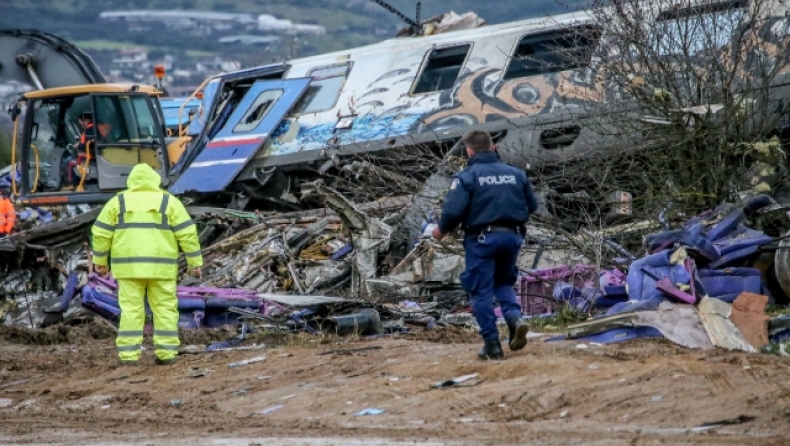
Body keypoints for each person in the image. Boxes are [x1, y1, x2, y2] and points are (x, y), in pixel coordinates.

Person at [432, 130, 539, 360]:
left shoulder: (467, 176)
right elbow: (532, 206)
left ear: (469, 152)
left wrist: (440, 230)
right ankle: (514, 318)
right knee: (503, 282)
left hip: (482, 240)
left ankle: (492, 344)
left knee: (481, 291)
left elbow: (452, 212)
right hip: (512, 238)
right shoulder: (516, 174)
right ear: (493, 147)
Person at [91, 163, 203, 366]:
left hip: (129, 269)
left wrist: (100, 261)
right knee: (165, 309)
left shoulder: (118, 202)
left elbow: (100, 233)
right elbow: (187, 233)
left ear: (131, 180)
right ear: (155, 180)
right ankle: (166, 354)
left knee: (131, 311)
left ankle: (128, 356)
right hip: (162, 269)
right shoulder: (169, 201)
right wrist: (194, 263)